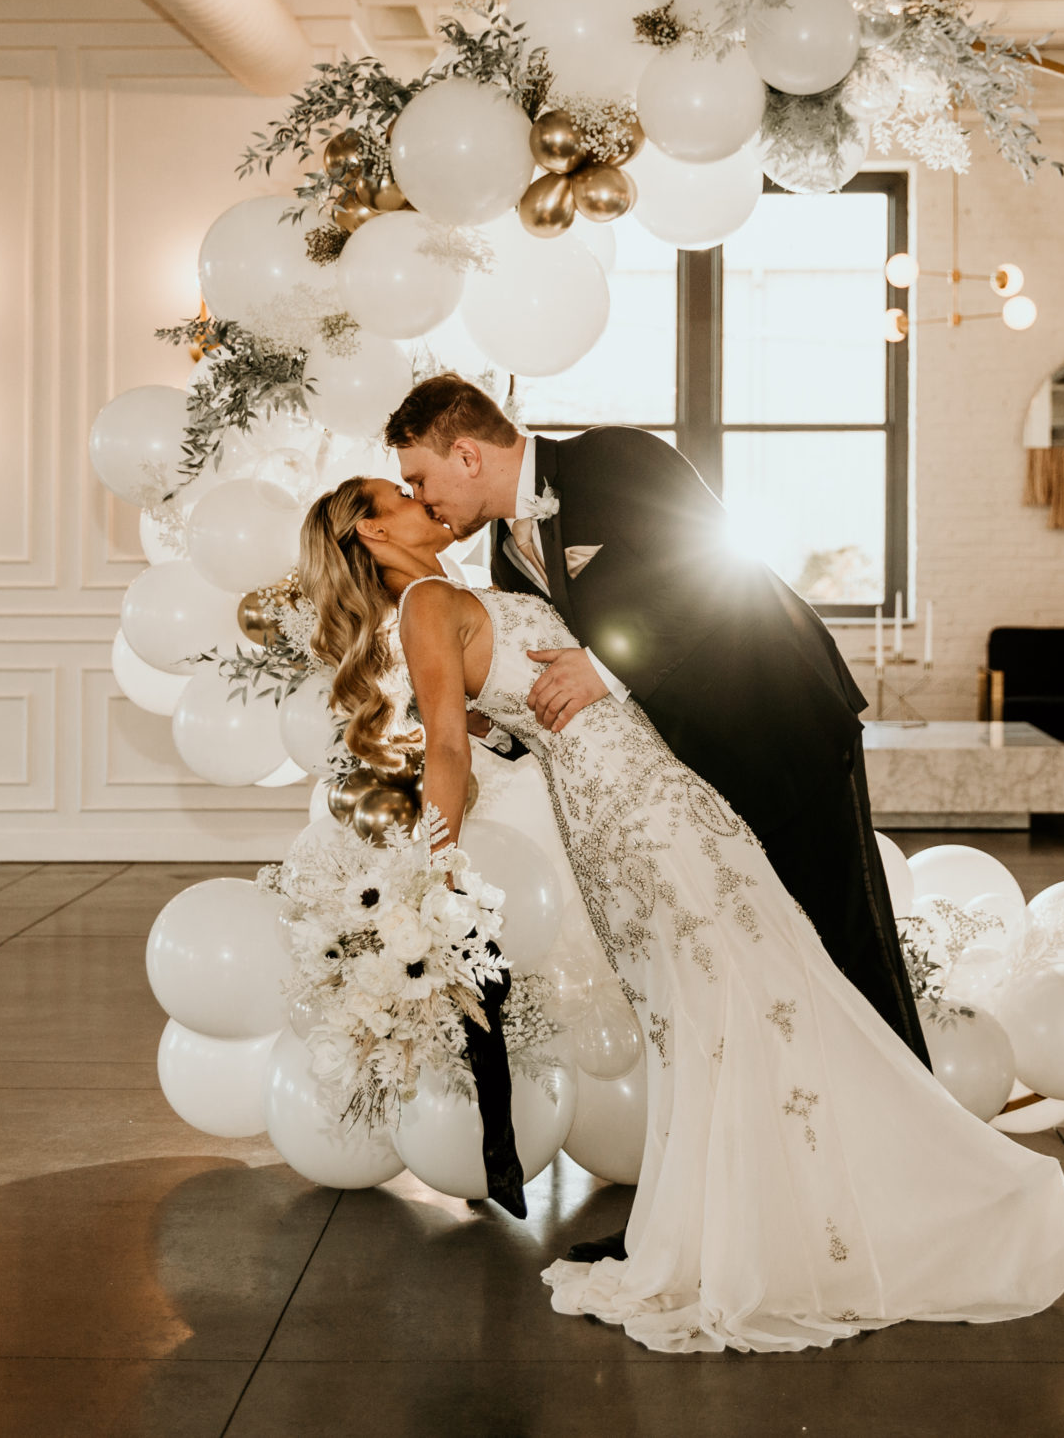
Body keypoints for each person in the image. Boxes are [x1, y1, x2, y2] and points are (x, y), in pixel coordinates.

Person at [298, 475, 1064, 1354]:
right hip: (637, 814)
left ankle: (785, 1220)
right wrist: (435, 872)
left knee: (752, 993)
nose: (421, 497)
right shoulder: (424, 604)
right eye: (398, 493)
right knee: (748, 993)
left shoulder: (451, 593)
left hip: (649, 798)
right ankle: (795, 1226)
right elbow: (449, 749)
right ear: (370, 533)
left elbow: (501, 721)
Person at [380, 376, 927, 1077]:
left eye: (420, 479)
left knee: (851, 942)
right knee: (782, 957)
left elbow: (714, 569)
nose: (421, 498)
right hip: (695, 774)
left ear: (466, 455)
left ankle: (920, 1116)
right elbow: (549, 683)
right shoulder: (506, 557)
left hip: (781, 723)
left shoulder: (615, 458)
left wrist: (605, 663)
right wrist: (487, 722)